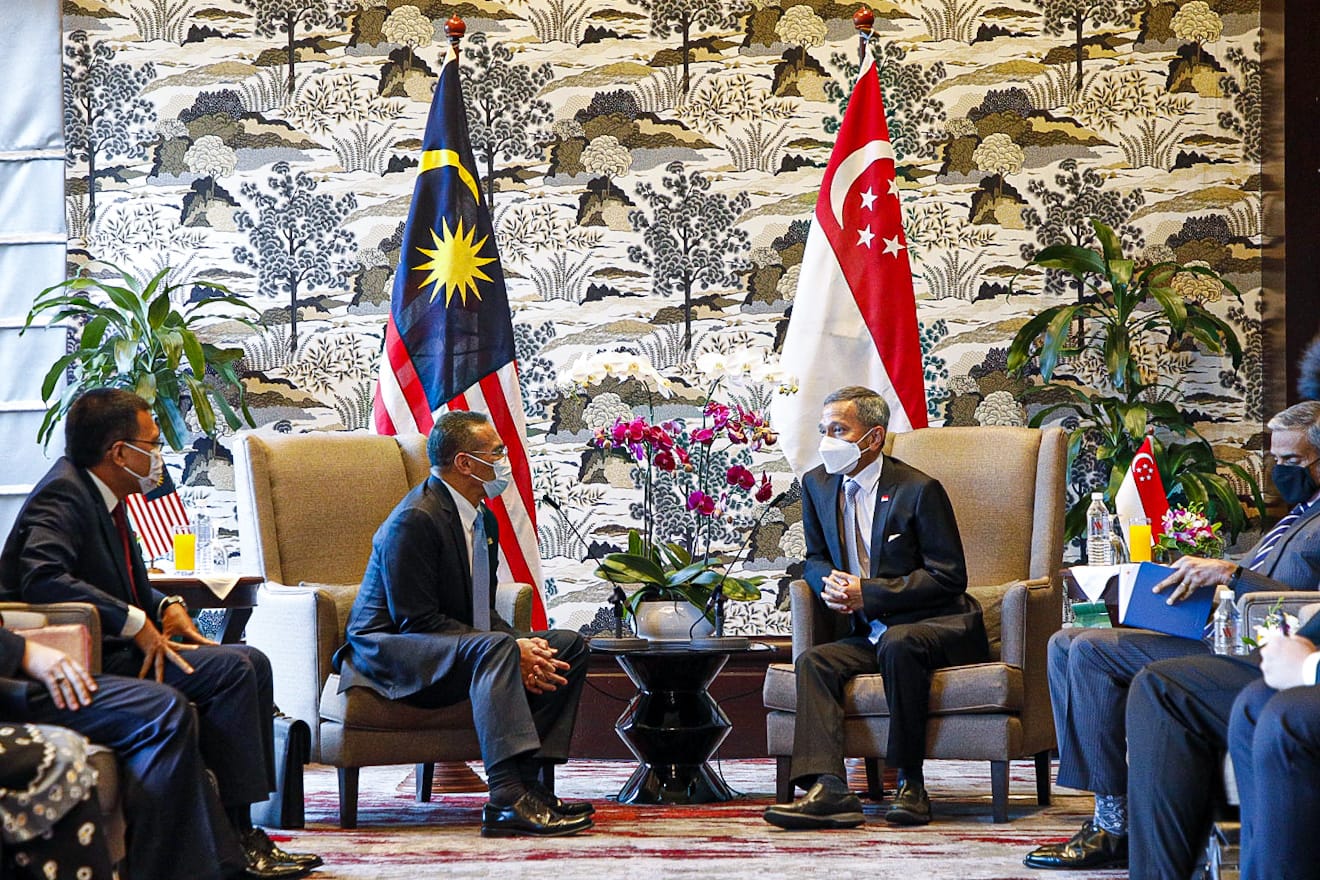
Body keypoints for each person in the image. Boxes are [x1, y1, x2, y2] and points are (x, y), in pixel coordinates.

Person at [0, 388, 321, 879]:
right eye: (150, 445)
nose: (157, 456)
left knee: (248, 662)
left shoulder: (109, 495)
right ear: (119, 452)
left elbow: (126, 584)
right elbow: (42, 576)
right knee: (234, 669)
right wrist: (134, 622)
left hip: (119, 646)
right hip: (90, 653)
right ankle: (233, 839)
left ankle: (241, 829)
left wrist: (167, 606)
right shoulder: (64, 492)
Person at [1024, 400, 1320, 871]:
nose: (1279, 470)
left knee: (1091, 653)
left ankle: (1114, 826)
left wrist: (1232, 572)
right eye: (1275, 459)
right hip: (1217, 626)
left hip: (1253, 646)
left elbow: (1306, 601)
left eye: (1292, 461)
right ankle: (1107, 810)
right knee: (1066, 640)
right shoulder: (1297, 514)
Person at [333, 410, 593, 837]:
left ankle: (531, 784)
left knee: (567, 645)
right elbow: (414, 619)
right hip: (391, 649)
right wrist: (507, 647)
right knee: (497, 647)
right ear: (466, 464)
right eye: (497, 452)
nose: (505, 460)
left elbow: (479, 610)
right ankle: (505, 797)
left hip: (448, 642)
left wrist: (523, 646)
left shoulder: (481, 518)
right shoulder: (416, 518)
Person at [763, 386, 988, 829]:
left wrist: (870, 592)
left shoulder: (918, 489)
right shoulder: (817, 484)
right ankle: (828, 788)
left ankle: (911, 784)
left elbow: (948, 576)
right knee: (814, 662)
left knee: (899, 644)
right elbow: (815, 557)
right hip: (869, 631)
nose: (828, 440)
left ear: (874, 437)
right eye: (824, 429)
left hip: (937, 625)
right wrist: (827, 584)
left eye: (839, 430)